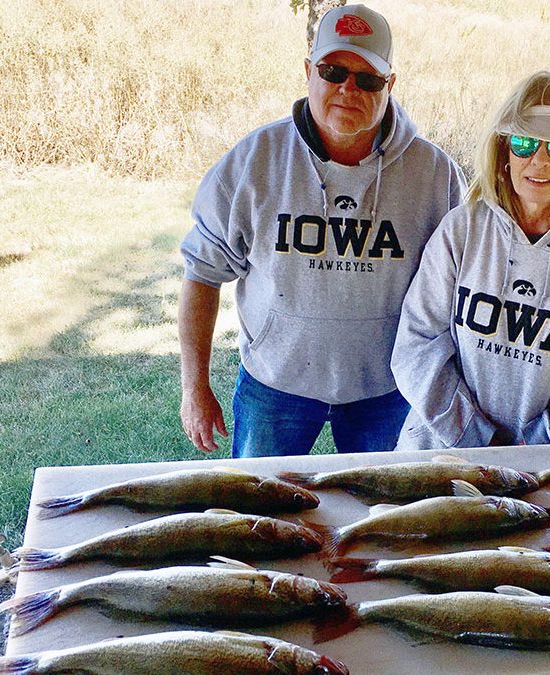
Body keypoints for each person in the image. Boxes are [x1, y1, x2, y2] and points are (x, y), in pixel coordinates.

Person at [178, 4, 465, 457]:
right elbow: (201, 273)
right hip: (276, 384)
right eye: (333, 71)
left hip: (390, 389)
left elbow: (458, 292)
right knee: (259, 520)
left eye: (367, 79)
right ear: (309, 71)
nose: (348, 89)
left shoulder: (436, 175)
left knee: (390, 520)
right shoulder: (255, 161)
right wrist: (194, 389)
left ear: (390, 85)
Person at [391, 70, 550, 450]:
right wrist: (479, 441)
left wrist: (529, 456)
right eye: (525, 143)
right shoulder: (462, 229)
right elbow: (417, 344)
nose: (540, 161)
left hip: (545, 469)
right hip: (436, 456)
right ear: (504, 150)